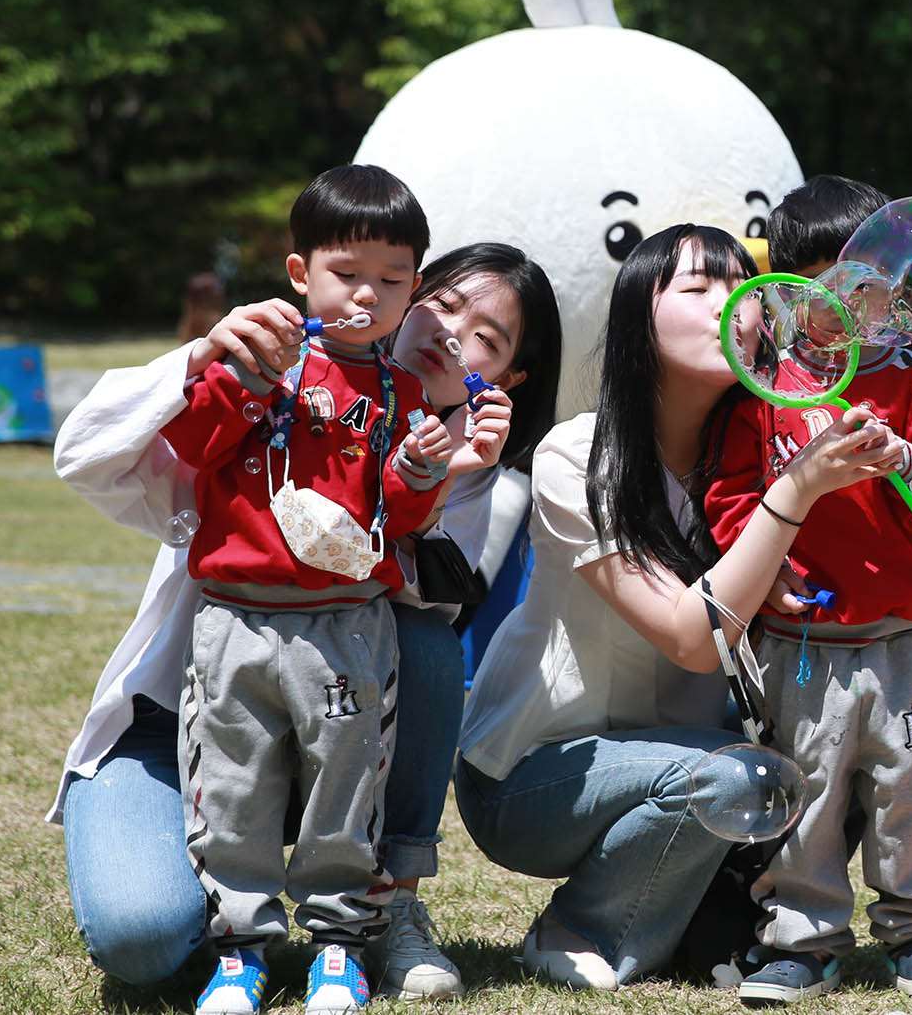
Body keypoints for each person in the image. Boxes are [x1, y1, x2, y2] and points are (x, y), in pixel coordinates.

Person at [455, 223, 912, 995]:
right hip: (537, 775)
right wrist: (793, 491)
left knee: (845, 737)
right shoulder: (577, 456)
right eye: (697, 287)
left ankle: (725, 921)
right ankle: (585, 926)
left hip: (700, 760)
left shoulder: (756, 447)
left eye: (742, 285)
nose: (732, 304)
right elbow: (692, 642)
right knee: (744, 782)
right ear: (638, 320)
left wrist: (900, 643)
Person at [52, 239, 561, 1004]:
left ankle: (386, 905)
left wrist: (440, 470)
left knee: (422, 645)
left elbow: (401, 585)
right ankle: (230, 922)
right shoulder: (274, 384)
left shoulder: (465, 463)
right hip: (179, 719)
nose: (450, 334)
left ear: (507, 378)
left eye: (485, 336)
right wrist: (203, 358)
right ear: (402, 295)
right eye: (443, 304)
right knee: (142, 937)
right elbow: (86, 451)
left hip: (335, 714)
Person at [151, 164, 460, 1015]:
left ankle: (336, 946)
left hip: (350, 624)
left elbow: (393, 515)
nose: (368, 295)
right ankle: (241, 949)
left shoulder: (399, 392)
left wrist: (422, 469)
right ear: (301, 274)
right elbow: (191, 447)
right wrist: (248, 378)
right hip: (235, 623)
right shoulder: (253, 356)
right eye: (346, 274)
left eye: (391, 280)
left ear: (415, 289)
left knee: (347, 784)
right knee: (235, 784)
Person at [702, 176, 912, 1004]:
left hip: (902, 639)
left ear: (894, 291)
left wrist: (907, 457)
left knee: (908, 787)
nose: (845, 308)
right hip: (799, 647)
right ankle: (803, 938)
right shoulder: (763, 393)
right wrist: (765, 577)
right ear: (783, 293)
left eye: (864, 286)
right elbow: (729, 499)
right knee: (805, 792)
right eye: (822, 287)